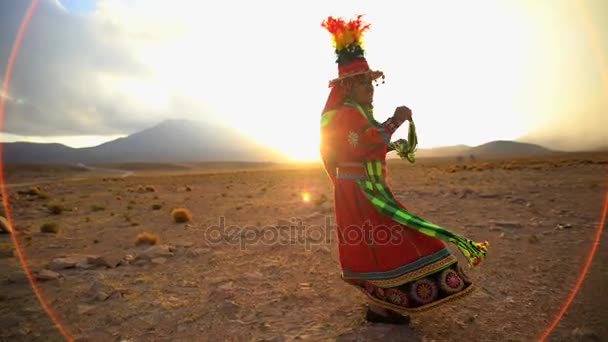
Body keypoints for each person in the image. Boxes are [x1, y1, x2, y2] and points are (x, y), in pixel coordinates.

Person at [320, 15, 489, 324]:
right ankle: (381, 306)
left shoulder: (353, 113)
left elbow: (366, 144)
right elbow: (364, 144)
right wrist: (395, 120)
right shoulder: (346, 114)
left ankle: (381, 306)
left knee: (381, 244)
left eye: (371, 82)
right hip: (360, 193)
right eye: (362, 83)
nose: (370, 89)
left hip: (363, 189)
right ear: (347, 87)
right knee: (386, 241)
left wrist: (391, 137)